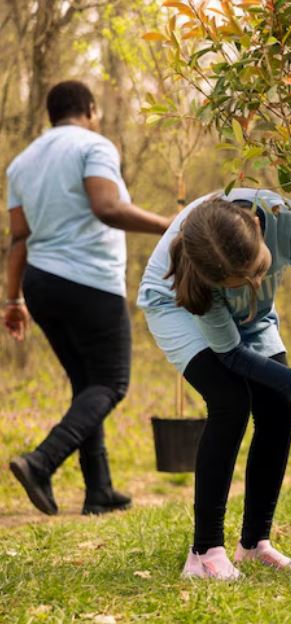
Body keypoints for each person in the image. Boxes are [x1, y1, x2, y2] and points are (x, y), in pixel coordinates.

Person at [137, 188, 291, 580]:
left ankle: (254, 545)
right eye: (237, 282)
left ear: (259, 227)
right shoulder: (200, 274)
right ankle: (204, 554)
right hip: (175, 305)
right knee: (230, 401)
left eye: (259, 272)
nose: (252, 283)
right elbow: (230, 355)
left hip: (253, 316)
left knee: (280, 406)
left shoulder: (289, 217)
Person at [5, 80, 170, 516]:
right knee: (111, 382)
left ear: (51, 114)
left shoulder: (22, 163)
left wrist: (13, 300)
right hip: (90, 282)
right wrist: (170, 224)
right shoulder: (92, 146)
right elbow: (107, 207)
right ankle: (41, 461)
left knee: (87, 385)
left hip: (41, 284)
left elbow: (18, 238)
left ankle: (99, 489)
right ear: (91, 109)